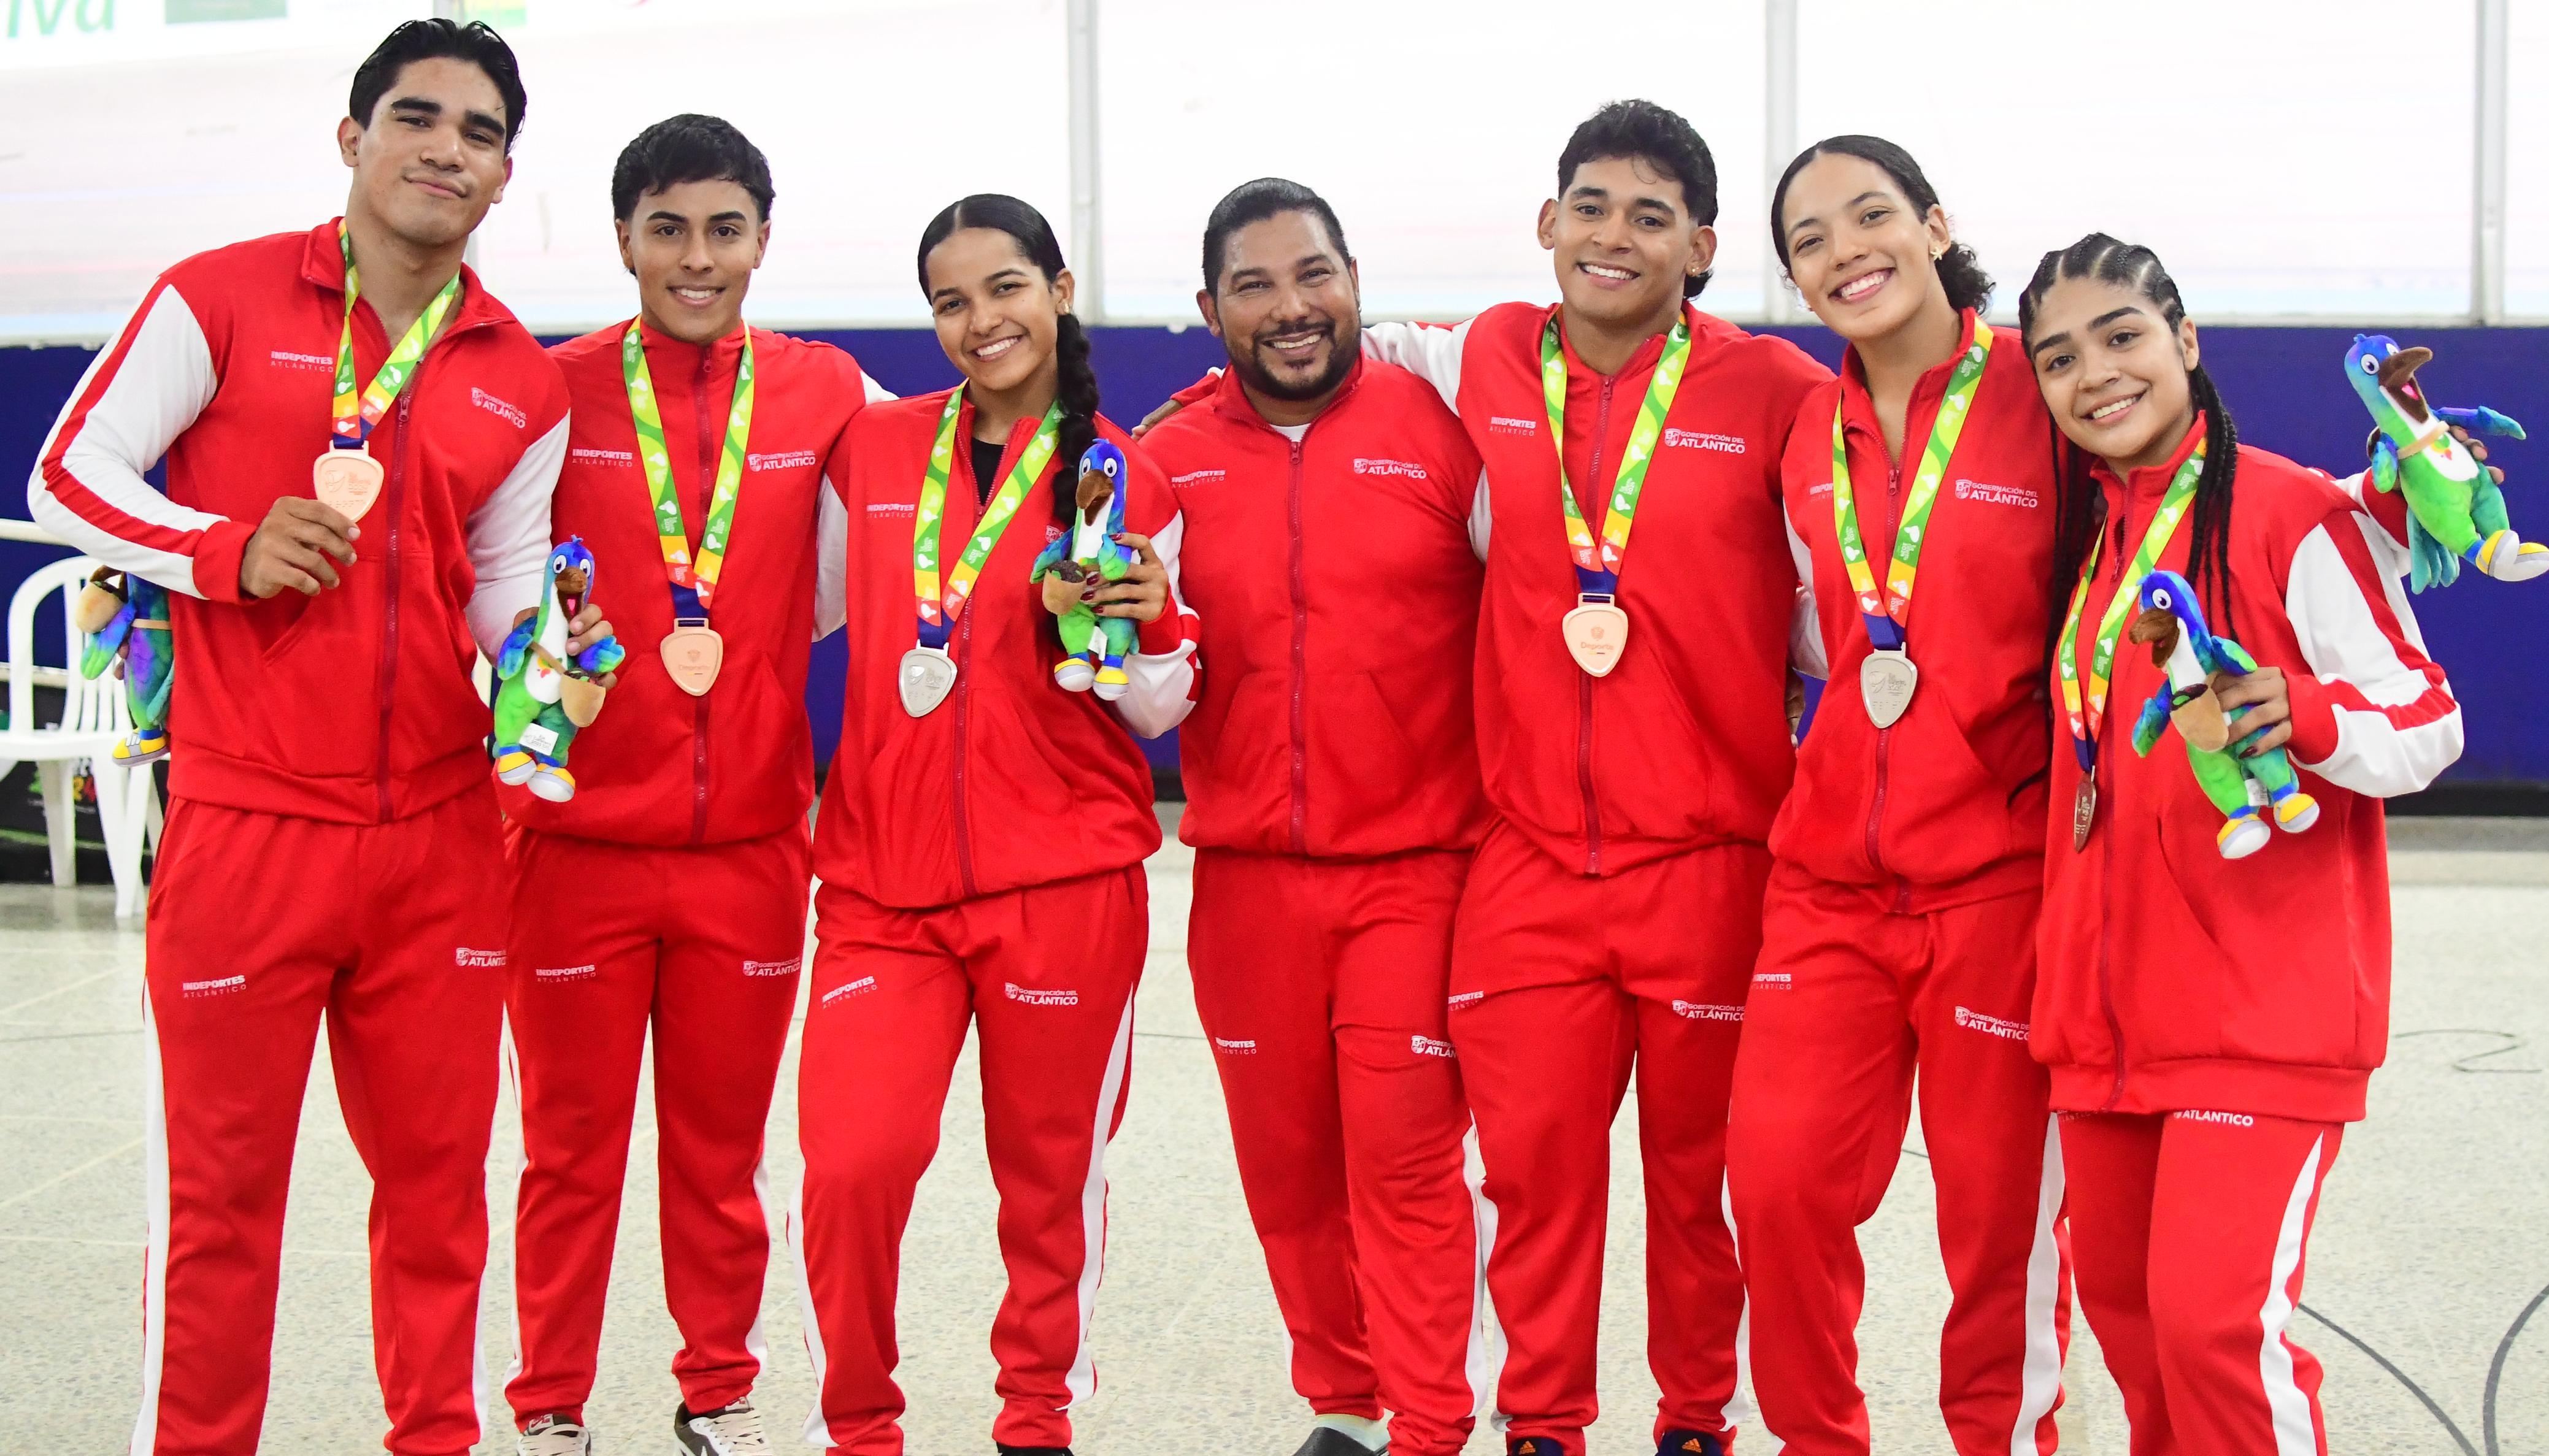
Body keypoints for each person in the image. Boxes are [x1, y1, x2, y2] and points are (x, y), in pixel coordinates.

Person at [26, 20, 585, 1456]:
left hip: (443, 845)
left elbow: (506, 577)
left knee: (438, 1192)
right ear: (353, 140)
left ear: (504, 173)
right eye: (417, 117)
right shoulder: (214, 298)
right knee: (221, 1205)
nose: (444, 150)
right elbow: (69, 472)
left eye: (477, 133)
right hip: (249, 827)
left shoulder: (520, 374)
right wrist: (219, 546)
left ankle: (434, 1441)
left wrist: (549, 665)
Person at [1342, 101, 1828, 1456]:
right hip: (1530, 867)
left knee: (1700, 1187)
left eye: (1650, 215)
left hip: (1713, 861)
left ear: (1703, 246)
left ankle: (1694, 1422)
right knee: (1532, 1182)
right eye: (1591, 206)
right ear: (1547, 223)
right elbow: (1315, 357)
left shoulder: (1777, 393)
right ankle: (1541, 1422)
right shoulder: (1482, 352)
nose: (1613, 235)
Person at [2021, 234, 2461, 1456]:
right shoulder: (2084, 538)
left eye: (2120, 336)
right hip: (2101, 1022)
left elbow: (2427, 720)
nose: (2094, 373)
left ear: (2184, 342)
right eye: (2057, 357)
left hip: (2259, 1009)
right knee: (2133, 1329)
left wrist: (2302, 710)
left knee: (2214, 1326)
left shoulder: (2289, 512)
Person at [501, 115, 891, 1456]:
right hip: (569, 846)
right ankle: (549, 1403)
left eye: (725, 228)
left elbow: (921, 531)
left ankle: (717, 1392)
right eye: (666, 227)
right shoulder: (549, 393)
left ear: (764, 241)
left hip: (748, 848)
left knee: (719, 1152)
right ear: (622, 239)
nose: (695, 256)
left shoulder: (827, 388)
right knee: (568, 1148)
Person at [790, 193, 1199, 1456]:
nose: (981, 322)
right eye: (952, 301)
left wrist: (1146, 624)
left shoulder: (1132, 468)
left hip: (1063, 883)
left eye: (1006, 288)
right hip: (881, 887)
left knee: (1048, 1186)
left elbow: (1158, 705)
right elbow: (782, 615)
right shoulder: (868, 452)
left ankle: (1036, 1419)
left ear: (1059, 291)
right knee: (852, 1166)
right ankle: (855, 1425)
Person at [1724, 137, 2070, 1456]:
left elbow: (2183, 499)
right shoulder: (1806, 424)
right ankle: (1821, 1439)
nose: (1843, 250)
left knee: (1996, 1222)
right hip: (1827, 883)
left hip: (1999, 879)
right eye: (1808, 238)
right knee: (1776, 1183)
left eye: (1869, 215)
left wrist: (2376, 502)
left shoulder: (2044, 395)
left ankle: (1999, 1439)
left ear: (1933, 224)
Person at [1137, 177, 1492, 1456]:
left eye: (1313, 275)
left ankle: (1433, 1421)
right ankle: (1342, 1404)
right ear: (1208, 308)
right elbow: (1138, 687)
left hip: (1418, 869)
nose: (1291, 308)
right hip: (1240, 880)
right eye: (1255, 284)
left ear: (1356, 284)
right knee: (1288, 1169)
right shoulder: (1159, 457)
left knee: (1398, 1164)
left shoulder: (1444, 424)